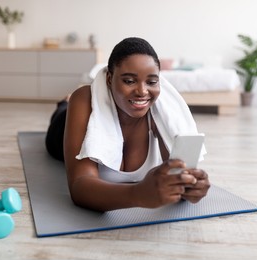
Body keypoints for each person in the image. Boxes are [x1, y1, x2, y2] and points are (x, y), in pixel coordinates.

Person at [45, 37, 210, 212]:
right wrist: (138, 194)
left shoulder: (165, 112)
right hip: (61, 129)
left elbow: (180, 178)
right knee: (64, 110)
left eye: (151, 82)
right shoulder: (85, 100)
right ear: (109, 79)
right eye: (129, 81)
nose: (142, 91)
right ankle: (64, 103)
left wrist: (190, 186)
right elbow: (79, 187)